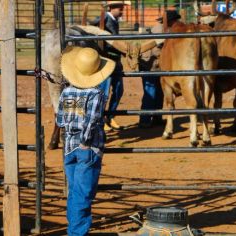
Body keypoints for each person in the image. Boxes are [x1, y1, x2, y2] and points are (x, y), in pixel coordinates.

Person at [56, 46, 115, 235]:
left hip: (69, 146)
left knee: (75, 191)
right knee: (83, 194)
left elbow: (60, 120)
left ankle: (74, 229)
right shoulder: (96, 94)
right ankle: (76, 233)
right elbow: (91, 122)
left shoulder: (66, 93)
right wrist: (84, 141)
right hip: (87, 147)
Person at [91, 1, 131, 131]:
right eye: (120, 8)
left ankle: (110, 116)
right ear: (112, 8)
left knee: (118, 90)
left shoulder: (113, 20)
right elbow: (94, 25)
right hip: (106, 61)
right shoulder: (105, 18)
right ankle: (101, 119)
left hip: (115, 61)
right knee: (104, 92)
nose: (122, 11)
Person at [138, 10, 182, 128]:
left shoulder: (163, 28)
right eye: (175, 20)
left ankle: (156, 117)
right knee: (151, 92)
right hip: (151, 65)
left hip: (156, 65)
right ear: (171, 21)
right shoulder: (162, 30)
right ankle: (145, 120)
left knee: (159, 92)